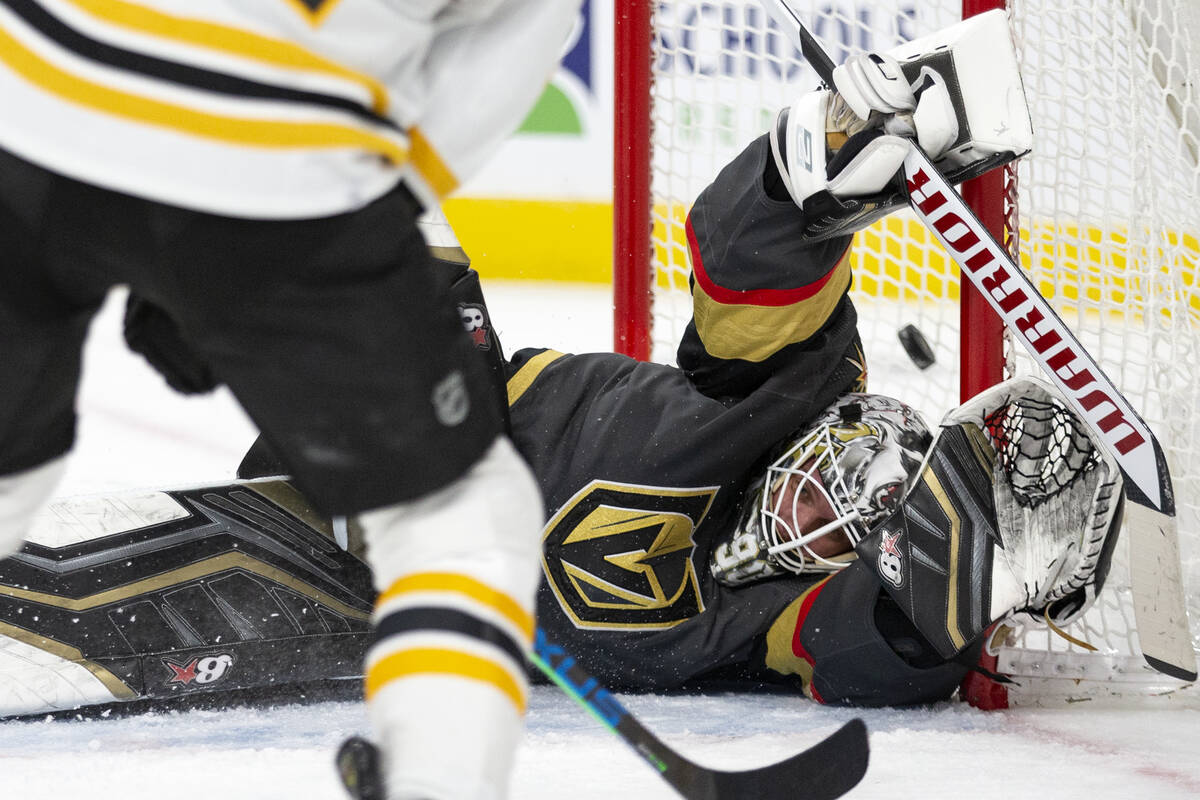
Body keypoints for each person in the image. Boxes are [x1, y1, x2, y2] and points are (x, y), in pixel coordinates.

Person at [0, 12, 1121, 746]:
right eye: (826, 475)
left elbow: (887, 645)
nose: (806, 504)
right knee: (373, 213)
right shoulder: (790, 390)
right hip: (449, 403)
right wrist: (835, 147)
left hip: (378, 568)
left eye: (837, 521)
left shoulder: (781, 619)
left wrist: (992, 553)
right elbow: (752, 249)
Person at [0, 3, 582, 799]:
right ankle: (438, 776)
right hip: (268, 159)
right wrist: (330, 245)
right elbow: (504, 54)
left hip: (24, 102)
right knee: (460, 519)